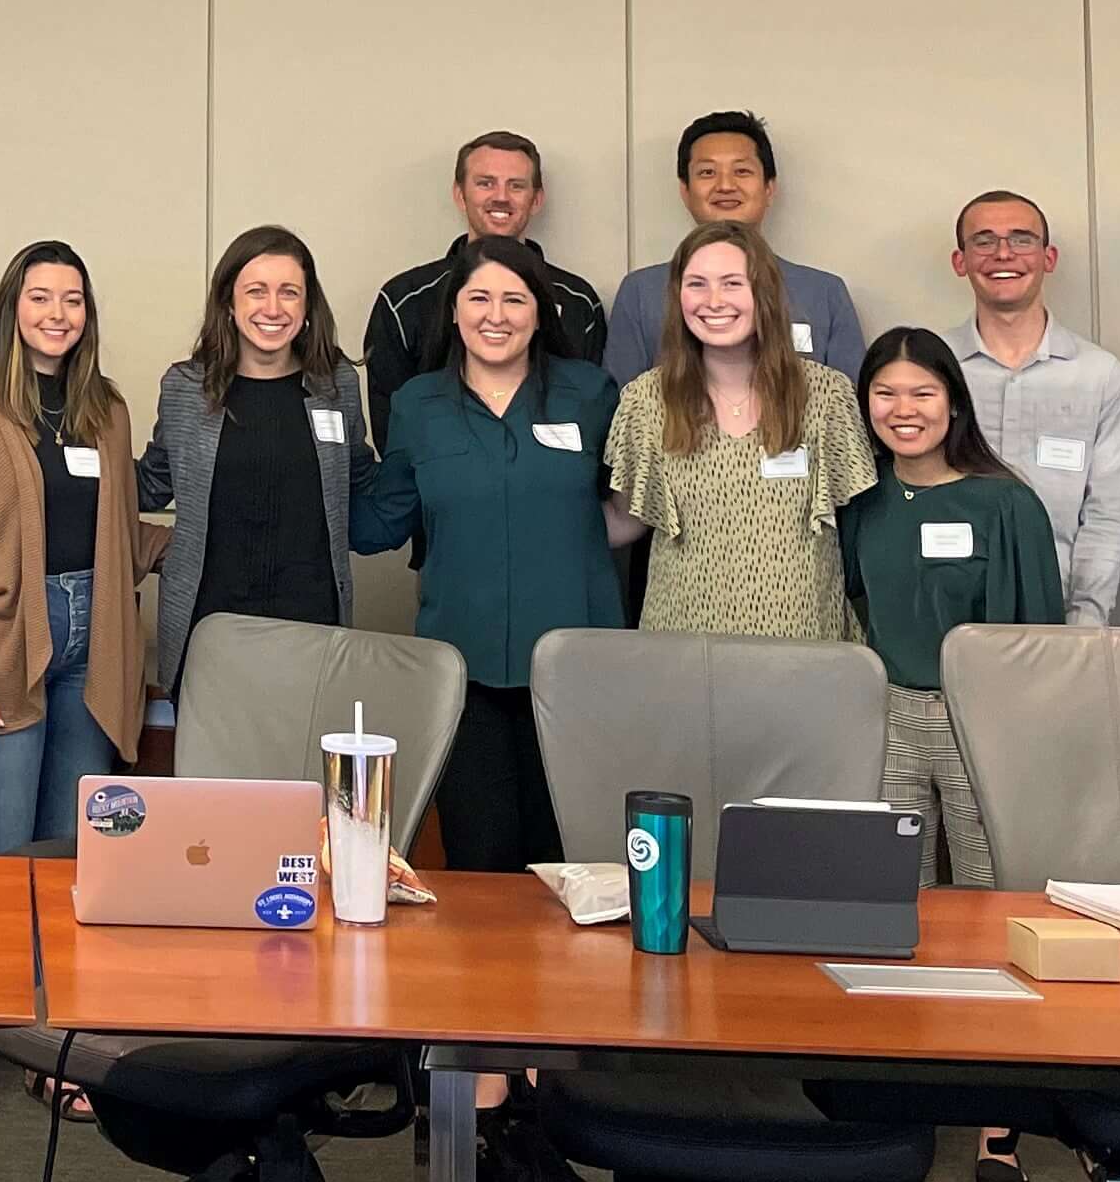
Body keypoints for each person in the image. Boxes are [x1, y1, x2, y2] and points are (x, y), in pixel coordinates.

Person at [0, 239, 163, 1116]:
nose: (57, 314)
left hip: (95, 643)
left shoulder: (107, 409)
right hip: (0, 648)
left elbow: (122, 534)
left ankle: (54, 1042)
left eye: (73, 301)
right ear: (11, 307)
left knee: (68, 860)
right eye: (40, 298)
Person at [839, 325, 1064, 1182]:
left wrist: (1019, 734)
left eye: (922, 394)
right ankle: (902, 1092)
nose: (904, 411)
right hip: (889, 712)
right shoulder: (864, 500)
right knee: (886, 905)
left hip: (982, 721)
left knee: (986, 905)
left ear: (954, 404)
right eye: (886, 395)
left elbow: (1037, 635)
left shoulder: (1006, 504)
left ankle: (997, 1117)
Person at [351, 238, 621, 871]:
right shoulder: (418, 404)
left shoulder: (591, 393)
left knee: (571, 864)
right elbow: (380, 522)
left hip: (576, 669)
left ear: (539, 311)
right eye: (479, 298)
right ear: (452, 311)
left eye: (514, 298)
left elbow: (635, 506)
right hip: (461, 672)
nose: (495, 315)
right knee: (480, 861)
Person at [604, 222, 873, 640]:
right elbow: (624, 521)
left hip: (803, 646)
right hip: (683, 645)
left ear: (763, 294)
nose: (714, 301)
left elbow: (864, 524)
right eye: (697, 284)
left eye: (732, 283)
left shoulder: (826, 396)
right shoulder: (646, 401)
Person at [150, 227, 365, 699]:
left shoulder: (336, 385)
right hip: (209, 628)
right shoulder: (187, 387)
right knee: (210, 771)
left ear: (308, 307)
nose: (273, 308)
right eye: (256, 291)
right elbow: (154, 479)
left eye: (289, 292)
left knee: (301, 771)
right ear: (228, 302)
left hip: (312, 627)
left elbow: (359, 478)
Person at [940, 191, 1120, 627]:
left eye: (1021, 239)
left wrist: (1086, 620)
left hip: (1055, 611)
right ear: (961, 261)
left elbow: (1106, 515)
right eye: (984, 241)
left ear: (1049, 257)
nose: (1004, 253)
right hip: (945, 608)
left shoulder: (1100, 376)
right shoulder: (931, 371)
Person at [360, 131, 609, 438]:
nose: (501, 197)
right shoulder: (404, 301)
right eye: (485, 183)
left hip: (551, 480)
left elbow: (594, 421)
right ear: (459, 194)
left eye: (516, 185)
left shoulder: (578, 302)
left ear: (537, 199)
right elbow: (395, 433)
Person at [603, 113, 866, 379]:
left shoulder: (824, 293)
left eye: (742, 171)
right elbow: (622, 407)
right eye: (707, 172)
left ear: (769, 188)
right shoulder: (641, 292)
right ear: (685, 190)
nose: (726, 185)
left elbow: (850, 407)